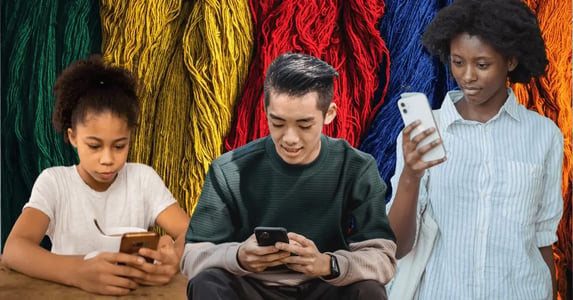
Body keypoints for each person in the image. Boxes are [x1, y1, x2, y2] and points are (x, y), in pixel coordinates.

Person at [181, 52, 397, 299]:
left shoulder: (356, 167)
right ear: (265, 110)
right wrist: (239, 256)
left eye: (304, 125)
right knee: (206, 282)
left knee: (369, 290)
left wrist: (327, 264)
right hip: (251, 287)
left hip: (323, 286)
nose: (290, 138)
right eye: (278, 122)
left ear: (329, 114)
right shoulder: (229, 169)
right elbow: (192, 257)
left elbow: (382, 259)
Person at [387, 0, 564, 299]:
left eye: (482, 64)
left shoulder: (544, 135)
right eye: (458, 62)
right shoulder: (426, 132)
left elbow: (543, 239)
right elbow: (397, 246)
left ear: (510, 61)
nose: (467, 76)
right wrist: (410, 177)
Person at [2, 55, 190, 296]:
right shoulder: (55, 183)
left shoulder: (143, 179)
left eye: (119, 146)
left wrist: (175, 256)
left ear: (130, 138)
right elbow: (15, 248)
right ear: (72, 137)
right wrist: (78, 272)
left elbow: (191, 232)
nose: (107, 159)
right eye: (94, 146)